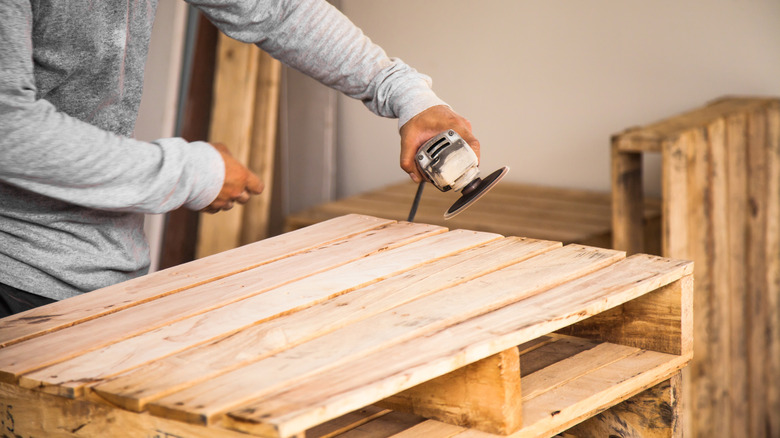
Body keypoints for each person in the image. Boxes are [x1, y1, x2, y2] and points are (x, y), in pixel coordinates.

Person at [0, 0, 480, 317]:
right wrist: (190, 174)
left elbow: (277, 11)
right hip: (14, 272)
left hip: (99, 268)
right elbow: (8, 125)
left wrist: (403, 90)